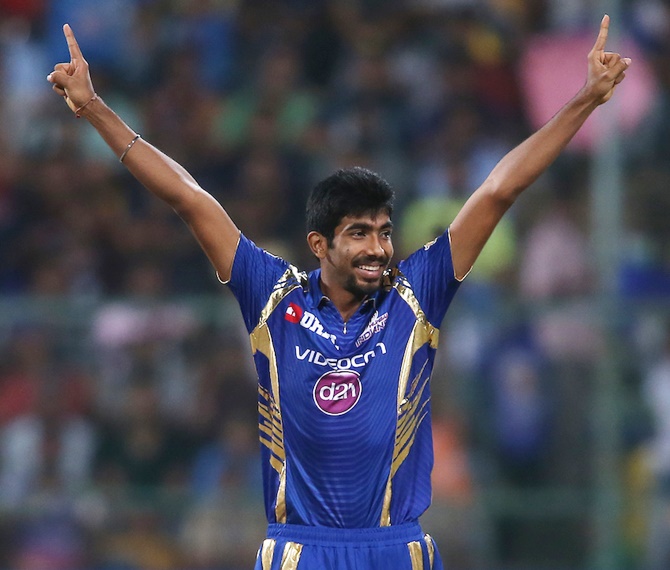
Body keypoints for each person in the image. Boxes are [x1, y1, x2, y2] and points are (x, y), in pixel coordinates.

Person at [47, 16, 630, 570]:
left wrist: (584, 101)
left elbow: (499, 190)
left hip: (394, 547)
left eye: (384, 231)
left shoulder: (415, 294)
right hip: (301, 550)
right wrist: (95, 108)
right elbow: (190, 199)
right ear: (319, 245)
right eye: (359, 234)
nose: (378, 248)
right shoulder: (273, 296)